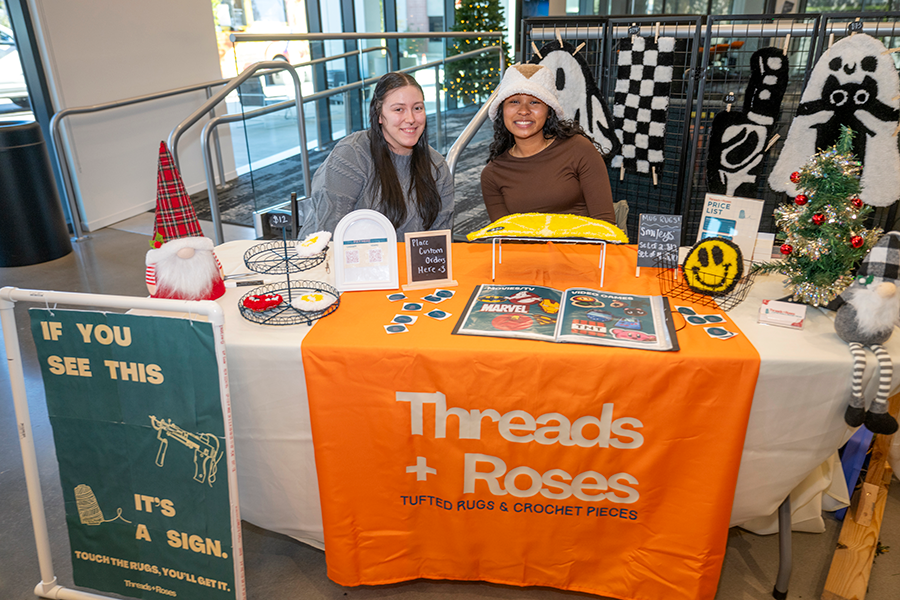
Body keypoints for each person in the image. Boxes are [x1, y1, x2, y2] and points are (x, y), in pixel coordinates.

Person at [299, 72, 454, 237]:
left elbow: (440, 241)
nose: (410, 118)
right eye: (399, 109)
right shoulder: (352, 154)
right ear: (380, 115)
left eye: (417, 108)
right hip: (340, 257)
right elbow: (327, 232)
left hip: (406, 261)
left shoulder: (436, 165)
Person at [480, 64, 616, 225]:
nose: (523, 111)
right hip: (523, 251)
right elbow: (504, 236)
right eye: (514, 101)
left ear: (549, 111)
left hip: (581, 249)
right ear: (502, 111)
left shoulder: (579, 149)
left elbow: (605, 224)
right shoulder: (492, 174)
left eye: (534, 102)